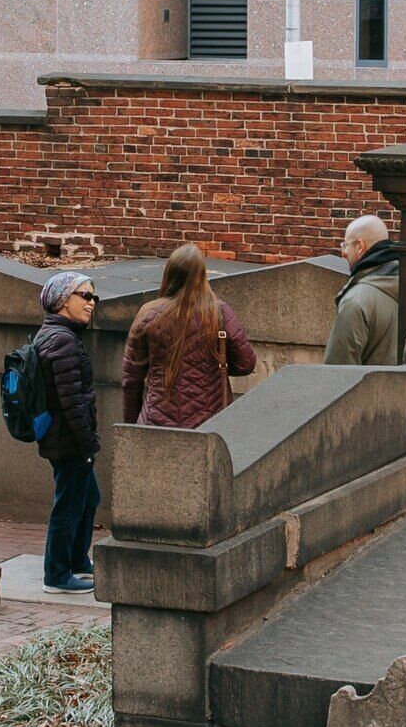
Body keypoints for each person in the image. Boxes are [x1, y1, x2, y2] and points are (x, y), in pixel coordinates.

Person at [122, 243, 257, 431]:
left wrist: (130, 427)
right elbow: (246, 364)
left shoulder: (149, 314)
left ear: (169, 273)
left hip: (156, 423)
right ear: (202, 276)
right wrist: (211, 369)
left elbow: (131, 379)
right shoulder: (219, 312)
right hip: (210, 422)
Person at [29, 272, 103, 593]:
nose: (91, 303)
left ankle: (76, 560)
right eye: (84, 296)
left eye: (93, 297)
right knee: (69, 505)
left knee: (88, 497)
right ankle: (57, 576)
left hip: (64, 436)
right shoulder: (62, 341)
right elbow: (71, 401)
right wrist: (88, 443)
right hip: (69, 439)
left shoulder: (56, 334)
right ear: (62, 300)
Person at [325, 214, 402, 365]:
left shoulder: (355, 300)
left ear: (360, 246)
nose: (343, 253)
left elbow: (338, 370)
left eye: (345, 245)